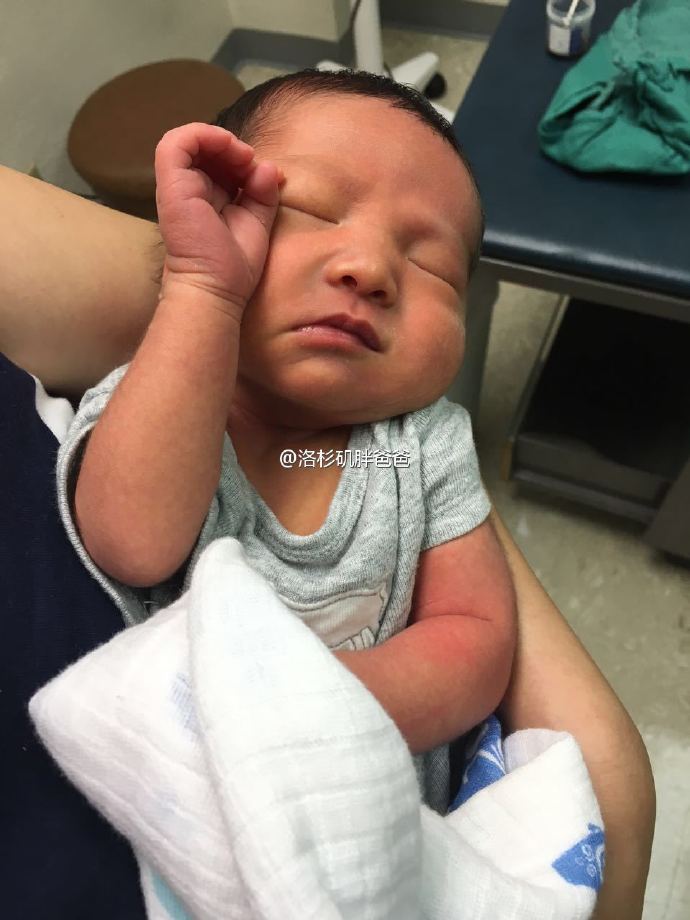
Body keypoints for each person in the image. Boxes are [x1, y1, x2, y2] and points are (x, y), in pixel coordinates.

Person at [0, 76, 654, 920]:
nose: (371, 268)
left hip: (378, 827)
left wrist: (327, 709)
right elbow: (131, 543)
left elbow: (475, 635)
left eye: (431, 264)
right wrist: (203, 292)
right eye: (310, 212)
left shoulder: (419, 444)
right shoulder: (159, 397)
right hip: (190, 829)